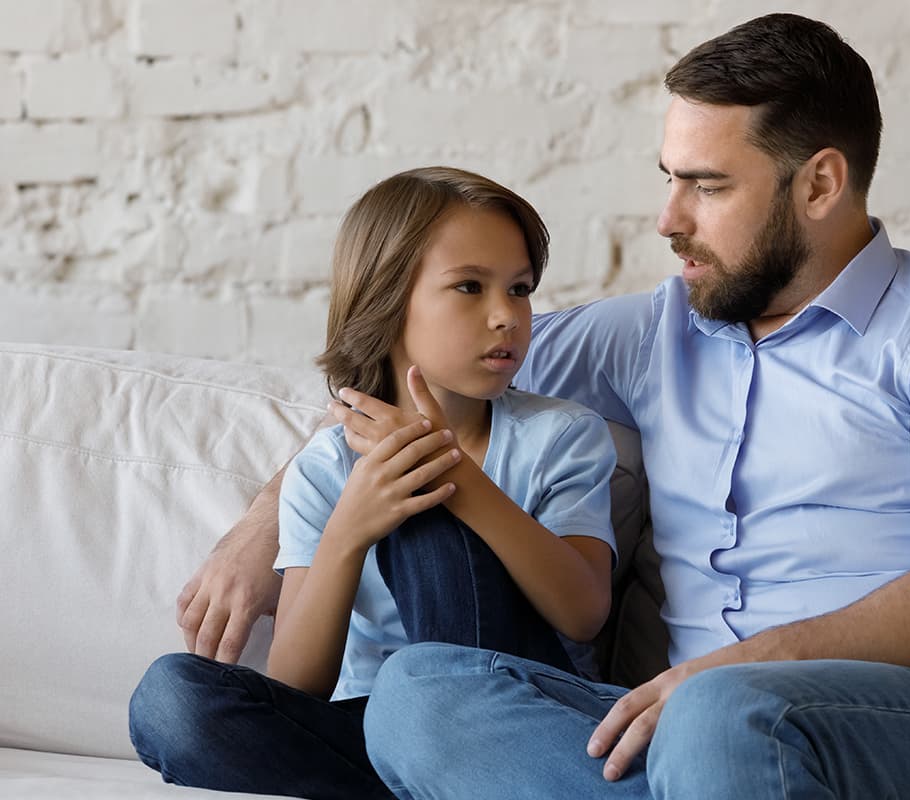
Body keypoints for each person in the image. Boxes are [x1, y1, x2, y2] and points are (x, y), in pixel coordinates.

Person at [177, 13, 910, 799]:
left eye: (707, 185)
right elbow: (414, 373)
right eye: (670, 177)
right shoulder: (649, 333)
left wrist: (729, 672)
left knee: (721, 715)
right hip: (687, 726)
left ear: (820, 183)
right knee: (423, 696)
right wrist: (266, 522)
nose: (669, 219)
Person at [128, 167, 618, 799]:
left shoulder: (561, 435)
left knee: (422, 506)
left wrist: (458, 479)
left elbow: (583, 613)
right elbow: (296, 685)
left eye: (520, 289)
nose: (508, 316)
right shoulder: (325, 470)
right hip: (373, 726)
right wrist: (349, 530)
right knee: (170, 699)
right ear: (387, 302)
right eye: (469, 287)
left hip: (521, 716)